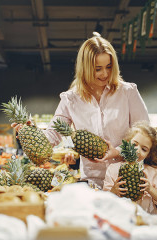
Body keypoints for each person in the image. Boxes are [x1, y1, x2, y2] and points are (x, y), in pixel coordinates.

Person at [12, 32, 149, 188]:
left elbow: (144, 134)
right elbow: (52, 136)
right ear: (85, 68)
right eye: (98, 69)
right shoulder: (71, 99)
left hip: (126, 179)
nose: (105, 74)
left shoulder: (127, 92)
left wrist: (117, 152)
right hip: (92, 182)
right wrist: (31, 131)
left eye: (109, 67)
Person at [103, 121, 157, 216]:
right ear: (126, 143)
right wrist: (114, 190)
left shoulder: (152, 172)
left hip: (146, 221)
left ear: (148, 154)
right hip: (122, 219)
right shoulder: (113, 169)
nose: (137, 150)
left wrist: (150, 189)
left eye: (144, 149)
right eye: (134, 144)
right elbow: (104, 201)